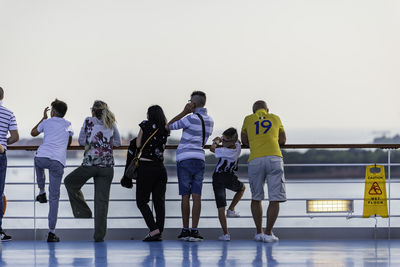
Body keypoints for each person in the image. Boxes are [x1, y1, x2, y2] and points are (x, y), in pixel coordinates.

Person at [64, 100, 121, 242]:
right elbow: (118, 143)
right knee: (102, 202)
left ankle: (84, 212)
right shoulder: (111, 122)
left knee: (70, 182)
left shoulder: (89, 121)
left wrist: (94, 143)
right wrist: (106, 144)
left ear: (93, 111)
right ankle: (99, 237)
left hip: (90, 164)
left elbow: (82, 142)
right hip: (107, 166)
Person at [167, 91, 214, 241]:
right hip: (199, 159)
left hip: (185, 159)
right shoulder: (210, 120)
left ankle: (185, 230)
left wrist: (184, 111)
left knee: (185, 196)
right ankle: (195, 230)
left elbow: (168, 126)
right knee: (197, 196)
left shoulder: (189, 118)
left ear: (192, 104)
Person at [241, 100, 286, 243]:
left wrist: (256, 142)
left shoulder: (248, 119)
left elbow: (244, 140)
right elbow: (283, 140)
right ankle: (268, 233)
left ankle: (259, 232)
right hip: (274, 158)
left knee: (256, 197)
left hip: (256, 159)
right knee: (275, 198)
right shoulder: (275, 118)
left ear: (253, 111)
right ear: (267, 109)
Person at [31, 99, 73, 242]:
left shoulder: (47, 122)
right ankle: (51, 232)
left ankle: (41, 192)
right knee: (54, 198)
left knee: (37, 161)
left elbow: (33, 133)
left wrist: (43, 118)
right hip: (58, 161)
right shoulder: (68, 125)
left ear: (53, 111)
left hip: (42, 156)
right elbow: (68, 140)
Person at [134, 105, 169, 241]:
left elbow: (138, 144)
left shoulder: (144, 125)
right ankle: (159, 232)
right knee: (159, 202)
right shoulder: (165, 128)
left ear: (149, 114)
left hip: (146, 167)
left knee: (141, 202)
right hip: (160, 168)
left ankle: (153, 229)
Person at [210, 127, 245, 241]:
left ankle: (226, 234)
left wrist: (216, 141)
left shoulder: (223, 151)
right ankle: (231, 209)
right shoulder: (238, 148)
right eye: (223, 140)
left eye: (225, 140)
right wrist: (224, 139)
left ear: (231, 142)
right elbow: (238, 142)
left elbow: (212, 149)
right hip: (229, 177)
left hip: (218, 177)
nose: (223, 142)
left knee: (221, 207)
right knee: (242, 188)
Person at [0, 87, 19, 241]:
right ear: (2, 96)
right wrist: (3, 143)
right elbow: (15, 137)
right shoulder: (9, 113)